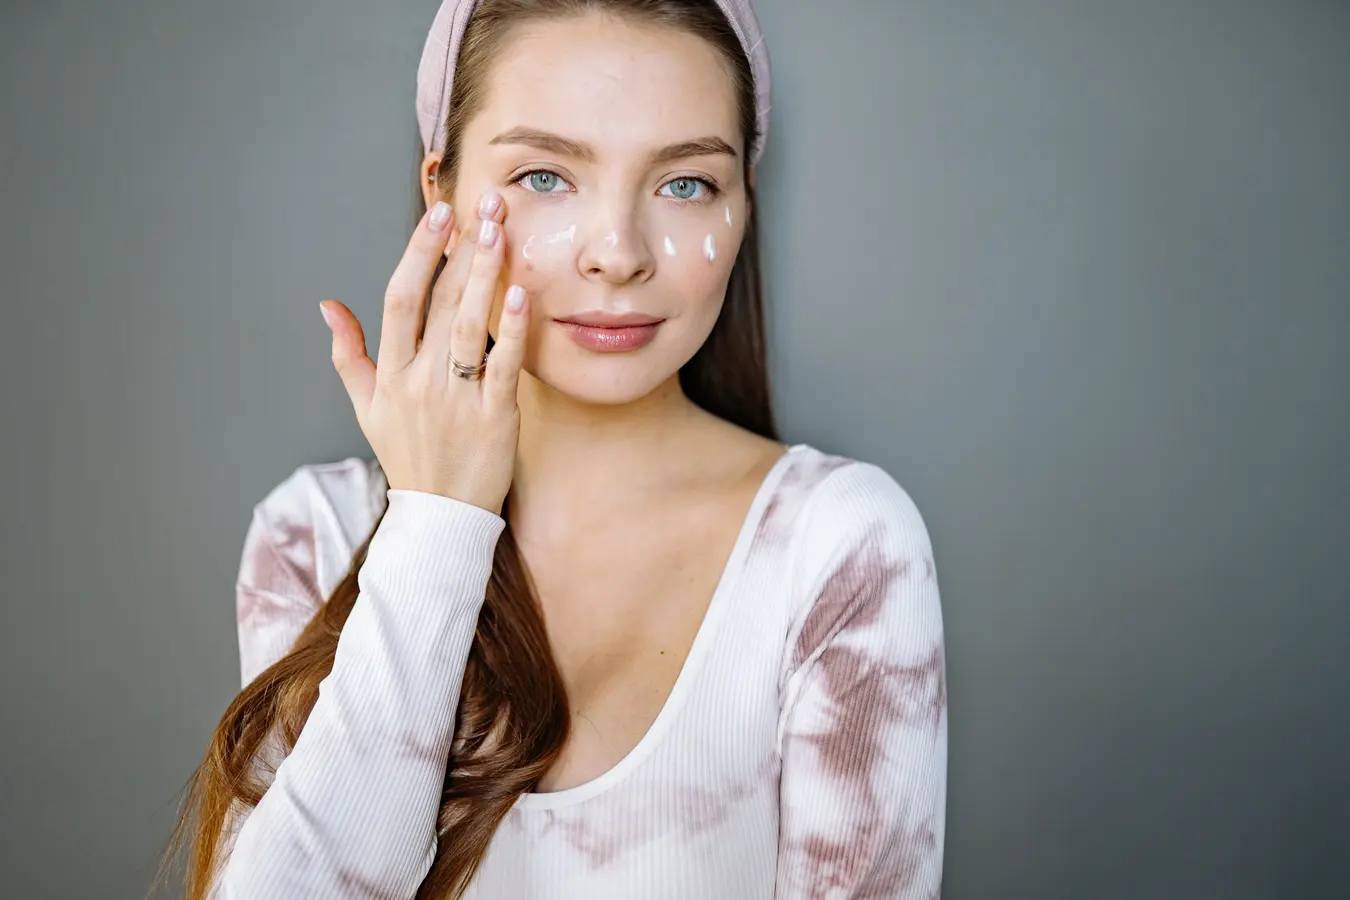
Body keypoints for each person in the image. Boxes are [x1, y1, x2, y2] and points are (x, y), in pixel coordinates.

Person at [157, 1, 947, 897]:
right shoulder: (312, 536)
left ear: (742, 208)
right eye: (543, 177)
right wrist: (436, 530)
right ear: (441, 197)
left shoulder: (837, 548)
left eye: (686, 183)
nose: (618, 254)